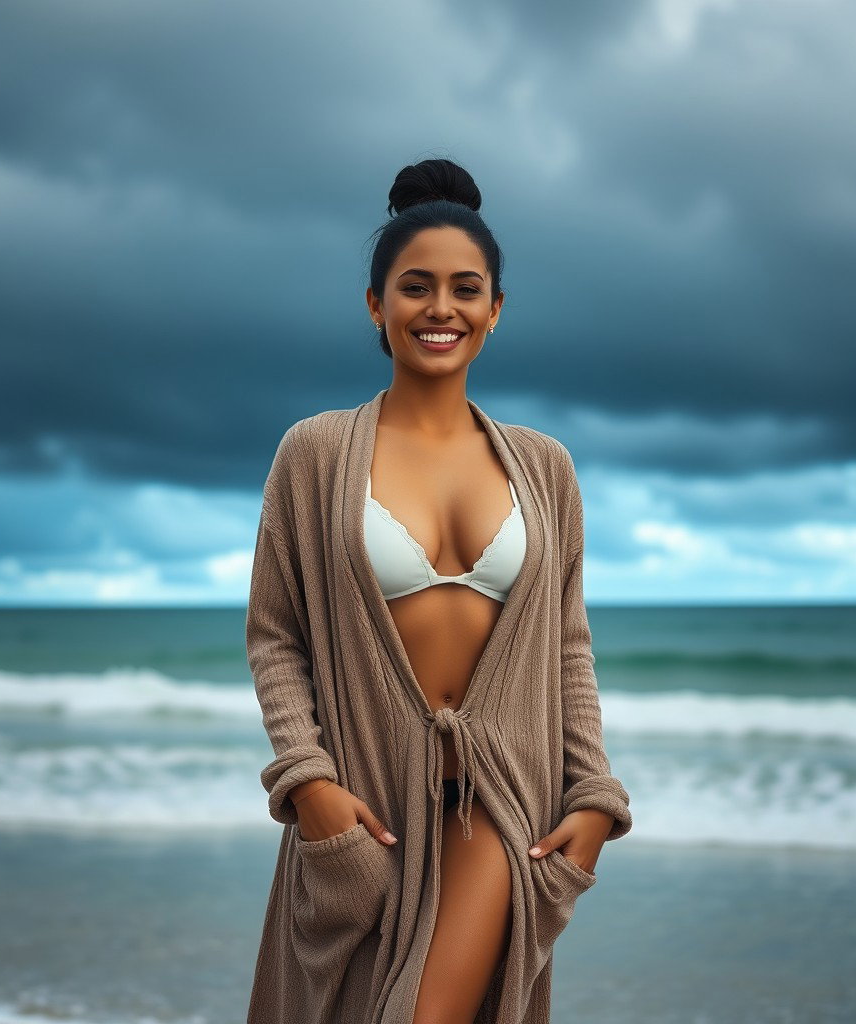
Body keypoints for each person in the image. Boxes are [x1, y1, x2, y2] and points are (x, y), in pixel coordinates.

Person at [245, 157, 632, 1024]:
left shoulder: (545, 468)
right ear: (377, 305)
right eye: (415, 286)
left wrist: (595, 796)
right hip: (365, 800)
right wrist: (309, 783)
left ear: (496, 310)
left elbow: (567, 647)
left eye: (467, 288)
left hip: (503, 804)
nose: (441, 308)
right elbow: (277, 637)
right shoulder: (312, 454)